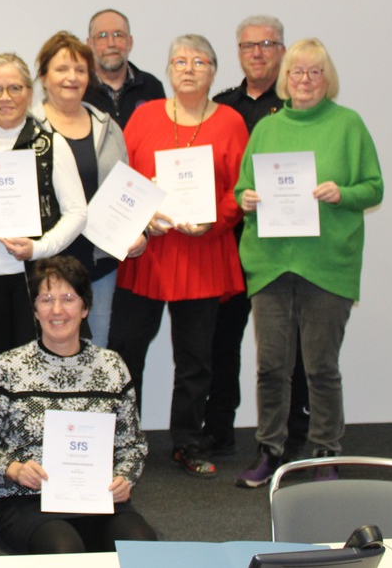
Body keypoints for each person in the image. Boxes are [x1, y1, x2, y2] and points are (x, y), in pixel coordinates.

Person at [234, 38, 383, 487]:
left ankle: (325, 452)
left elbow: (373, 188)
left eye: (314, 72)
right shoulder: (267, 128)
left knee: (321, 367)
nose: (304, 80)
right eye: (297, 72)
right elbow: (243, 190)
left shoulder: (348, 125)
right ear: (285, 78)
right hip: (273, 264)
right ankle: (271, 450)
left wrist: (344, 193)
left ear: (326, 79)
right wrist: (249, 199)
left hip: (327, 264)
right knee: (271, 368)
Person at [107, 34, 248, 478]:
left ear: (213, 71)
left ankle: (186, 440)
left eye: (199, 61)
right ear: (168, 70)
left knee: (195, 360)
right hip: (148, 253)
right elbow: (123, 177)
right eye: (179, 61)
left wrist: (216, 220)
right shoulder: (145, 115)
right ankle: (119, 441)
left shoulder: (229, 121)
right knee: (127, 351)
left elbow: (240, 188)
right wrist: (140, 214)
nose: (188, 68)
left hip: (202, 255)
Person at [0, 256, 156, 554]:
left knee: (142, 545)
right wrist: (13, 469)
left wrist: (124, 479)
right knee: (64, 549)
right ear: (35, 309)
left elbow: (133, 446)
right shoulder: (8, 368)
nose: (57, 310)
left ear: (85, 307)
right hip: (26, 499)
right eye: (47, 299)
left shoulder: (112, 367)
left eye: (68, 298)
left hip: (99, 498)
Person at [0, 52, 87, 381]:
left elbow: (78, 213)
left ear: (29, 93)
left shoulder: (51, 146)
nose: (5, 98)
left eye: (14, 88)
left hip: (35, 280)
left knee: (40, 372)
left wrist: (38, 248)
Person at [207, 15, 309, 460]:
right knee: (222, 342)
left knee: (292, 345)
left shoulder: (296, 106)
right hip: (230, 242)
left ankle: (296, 428)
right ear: (239, 52)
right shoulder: (222, 106)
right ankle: (220, 430)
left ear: (282, 50)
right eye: (249, 45)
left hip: (282, 245)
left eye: (267, 44)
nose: (258, 52)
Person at [31, 31, 148, 349]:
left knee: (95, 352)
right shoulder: (26, 128)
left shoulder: (107, 126)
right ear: (43, 76)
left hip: (98, 264)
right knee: (42, 352)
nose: (71, 77)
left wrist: (138, 233)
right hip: (43, 263)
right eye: (61, 69)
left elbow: (127, 190)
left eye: (80, 70)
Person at [83, 9, 166, 129]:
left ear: (130, 42)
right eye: (102, 36)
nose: (111, 43)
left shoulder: (151, 86)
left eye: (118, 35)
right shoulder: (80, 89)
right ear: (90, 45)